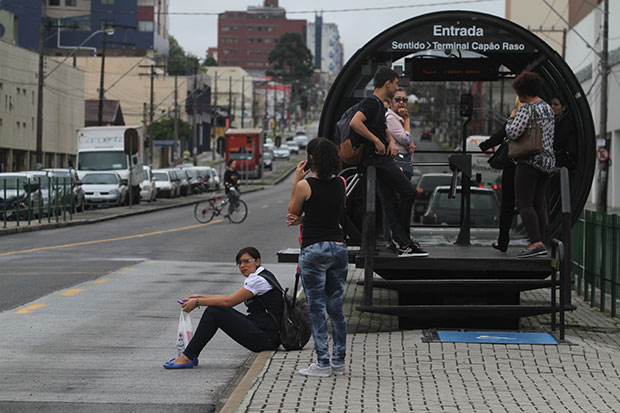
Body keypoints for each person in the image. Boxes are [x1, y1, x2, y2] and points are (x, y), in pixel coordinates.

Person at [349, 67, 428, 257]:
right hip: (376, 160)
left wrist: (390, 142)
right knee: (408, 191)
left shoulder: (378, 104)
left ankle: (401, 243)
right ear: (387, 83)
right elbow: (355, 123)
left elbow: (382, 129)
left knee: (390, 201)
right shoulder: (371, 102)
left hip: (381, 159)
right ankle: (404, 240)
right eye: (395, 84)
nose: (396, 88)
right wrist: (376, 141)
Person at [287, 137, 349, 377]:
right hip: (338, 246)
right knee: (336, 308)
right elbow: (331, 214)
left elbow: (293, 211)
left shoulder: (305, 185)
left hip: (314, 250)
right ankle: (338, 362)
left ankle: (322, 363)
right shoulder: (342, 183)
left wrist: (296, 179)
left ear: (311, 158)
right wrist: (306, 218)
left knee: (316, 308)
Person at [163, 247, 282, 369]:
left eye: (247, 261)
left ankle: (187, 357)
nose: (242, 265)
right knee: (215, 310)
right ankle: (190, 355)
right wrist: (200, 297)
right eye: (239, 263)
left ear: (257, 261)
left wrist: (198, 302)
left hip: (266, 338)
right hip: (265, 333)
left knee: (214, 311)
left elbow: (229, 302)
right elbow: (228, 297)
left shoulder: (258, 280)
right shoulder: (263, 275)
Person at [505, 72, 555, 258]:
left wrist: (511, 118)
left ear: (522, 92)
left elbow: (514, 133)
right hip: (546, 162)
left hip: (529, 161)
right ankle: (543, 240)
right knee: (538, 203)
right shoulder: (547, 108)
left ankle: (535, 242)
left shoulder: (526, 109)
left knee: (523, 203)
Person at [479, 97, 522, 252]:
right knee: (531, 203)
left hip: (513, 163)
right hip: (531, 165)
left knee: (507, 205)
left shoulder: (518, 115)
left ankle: (503, 240)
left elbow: (503, 133)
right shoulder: (541, 113)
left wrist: (484, 145)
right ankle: (538, 240)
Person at [383, 89, 417, 251]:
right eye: (398, 100)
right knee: (398, 199)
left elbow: (408, 142)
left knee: (394, 201)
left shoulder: (398, 119)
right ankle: (397, 237)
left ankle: (400, 237)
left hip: (402, 163)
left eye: (404, 99)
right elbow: (405, 138)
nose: (402, 103)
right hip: (397, 164)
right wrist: (408, 120)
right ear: (391, 102)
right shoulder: (391, 118)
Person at [550, 95, 577, 170]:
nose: (552, 107)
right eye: (551, 104)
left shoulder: (566, 122)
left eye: (556, 105)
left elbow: (558, 142)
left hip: (565, 161)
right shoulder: (556, 121)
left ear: (563, 108)